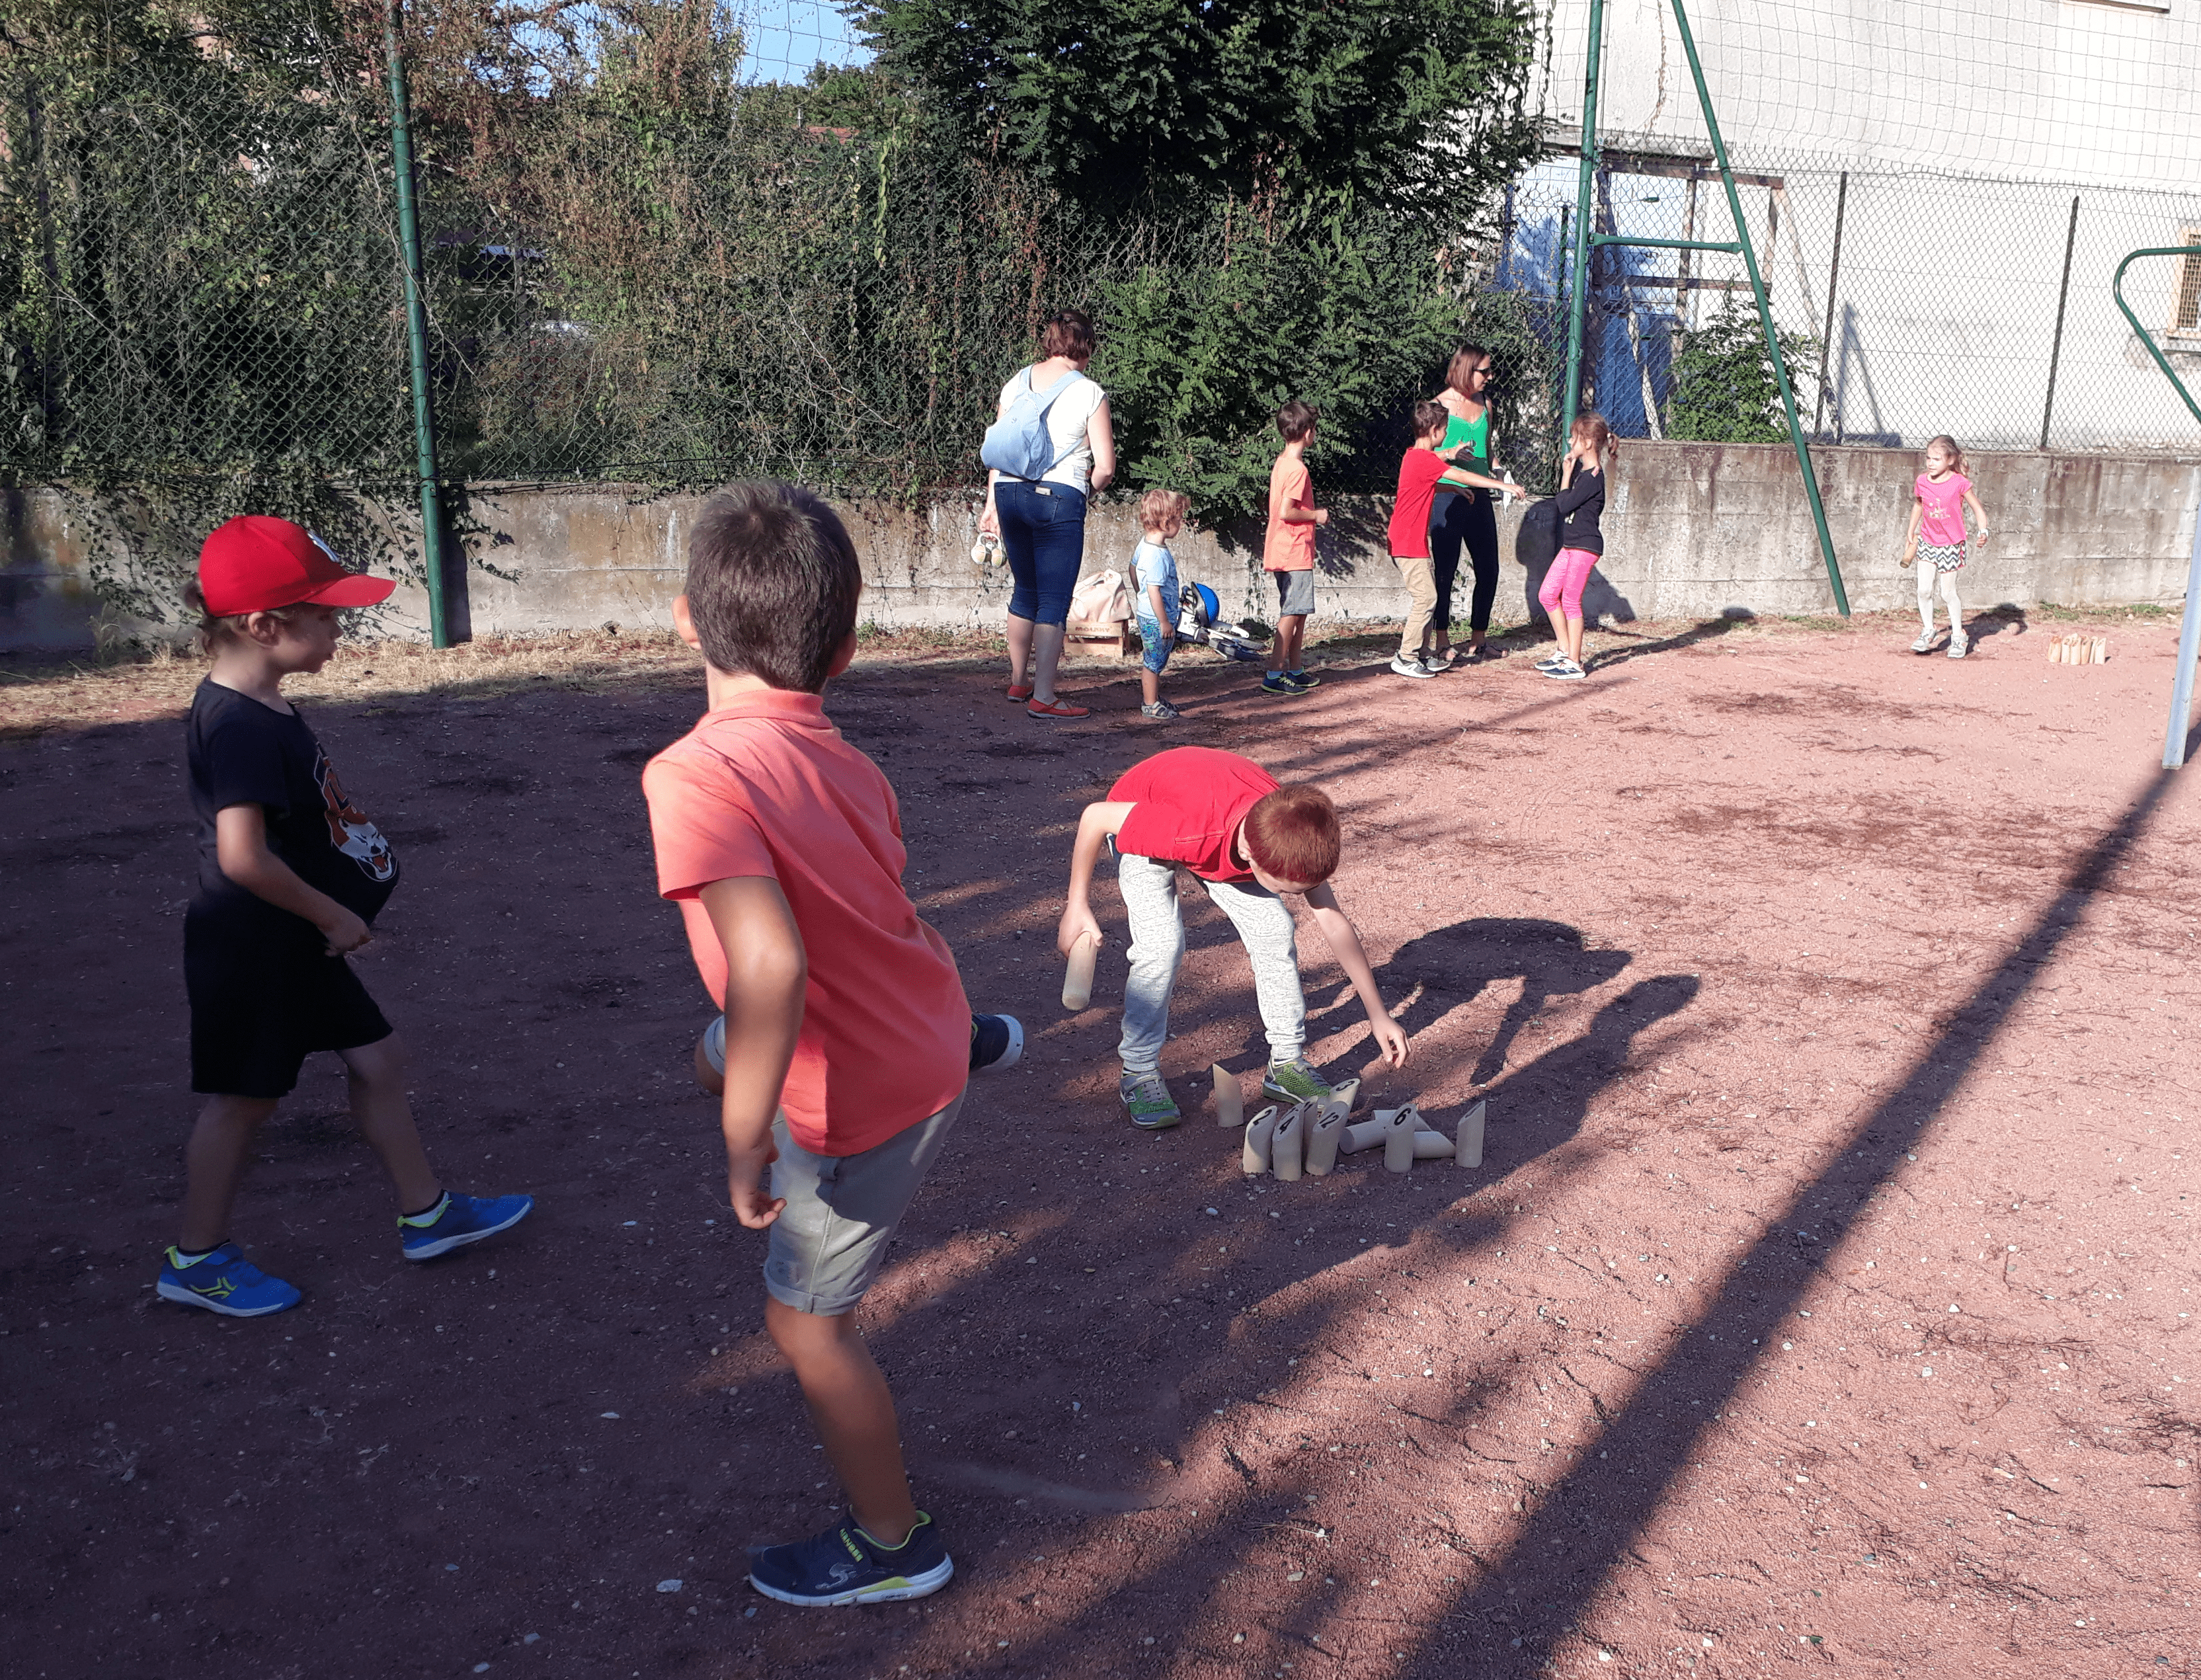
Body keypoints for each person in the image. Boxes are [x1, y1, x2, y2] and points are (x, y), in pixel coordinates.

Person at [643, 483, 969, 1607]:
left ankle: (893, 1543)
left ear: (686, 619)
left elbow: (773, 966)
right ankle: (964, 1042)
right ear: (843, 650)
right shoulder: (845, 758)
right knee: (721, 1041)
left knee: (803, 1324)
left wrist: (745, 1140)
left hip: (855, 1095)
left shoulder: (692, 773)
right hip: (915, 1017)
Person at [157, 517, 532, 1318]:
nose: (339, 629)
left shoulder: (262, 702)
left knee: (378, 1059)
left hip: (290, 938)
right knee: (243, 1101)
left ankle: (426, 1214)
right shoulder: (238, 727)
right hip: (255, 944)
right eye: (324, 616)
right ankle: (195, 1260)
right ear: (264, 626)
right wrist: (332, 915)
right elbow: (242, 856)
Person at [1055, 746, 1410, 1131]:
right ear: (1249, 856)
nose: (1297, 896)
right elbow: (1095, 818)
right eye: (1287, 889)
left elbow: (1333, 922)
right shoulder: (1187, 831)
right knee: (1162, 945)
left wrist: (1378, 1014)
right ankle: (1138, 1070)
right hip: (1144, 814)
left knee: (1275, 928)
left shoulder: (1287, 831)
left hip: (1211, 813)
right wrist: (1077, 905)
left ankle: (1287, 1064)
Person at [979, 308, 1116, 719]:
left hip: (1007, 494)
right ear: (1085, 345)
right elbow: (1106, 467)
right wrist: (1083, 492)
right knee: (1053, 601)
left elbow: (1000, 452)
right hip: (1059, 496)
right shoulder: (1090, 393)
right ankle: (1044, 696)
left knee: (1024, 590)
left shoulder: (1015, 384)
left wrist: (991, 506)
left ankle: (1019, 681)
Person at [1427, 347, 1524, 667]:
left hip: (1480, 493)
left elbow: (1487, 449)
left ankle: (1478, 640)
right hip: (1448, 494)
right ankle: (1441, 640)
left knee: (1489, 568)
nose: (1490, 377)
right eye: (1485, 371)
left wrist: (1498, 469)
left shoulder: (1486, 404)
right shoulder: (1438, 407)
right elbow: (1425, 459)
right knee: (1445, 569)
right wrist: (1451, 457)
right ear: (1467, 370)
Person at [1387, 401, 1494, 680]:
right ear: (1434, 430)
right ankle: (1406, 656)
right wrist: (1501, 485)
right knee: (1426, 598)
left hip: (1411, 541)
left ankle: (1422, 653)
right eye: (1445, 429)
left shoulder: (1415, 456)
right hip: (1407, 542)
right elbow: (1459, 474)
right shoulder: (1424, 459)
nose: (1446, 434)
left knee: (1429, 598)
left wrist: (1456, 491)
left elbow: (1432, 482)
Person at [1536, 412, 1615, 682]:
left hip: (1584, 547)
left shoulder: (1593, 477)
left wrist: (1565, 474)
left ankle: (1575, 662)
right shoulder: (1585, 473)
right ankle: (1563, 650)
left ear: (1589, 443)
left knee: (1570, 602)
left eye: (1575, 437)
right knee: (1547, 595)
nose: (1570, 441)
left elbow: (1563, 505)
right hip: (1571, 545)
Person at [1260, 400, 1328, 698]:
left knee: (1298, 612)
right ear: (1308, 433)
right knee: (1292, 612)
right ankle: (1275, 673)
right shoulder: (1298, 470)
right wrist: (1317, 515)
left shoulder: (1282, 463)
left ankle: (1296, 670)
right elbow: (1288, 512)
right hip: (1294, 551)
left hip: (1284, 549)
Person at [1901, 434, 1990, 659]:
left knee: (1947, 593)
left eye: (1937, 459)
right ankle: (1928, 630)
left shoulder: (1959, 483)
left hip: (1951, 544)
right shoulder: (1922, 481)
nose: (1931, 463)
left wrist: (1983, 531)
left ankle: (1959, 637)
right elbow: (1918, 506)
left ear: (1950, 460)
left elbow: (1978, 510)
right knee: (1923, 590)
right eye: (1928, 458)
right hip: (1927, 541)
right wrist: (1910, 531)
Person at [1132, 488, 1190, 721]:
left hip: (1148, 614)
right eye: (1179, 518)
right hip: (1158, 619)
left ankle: (1153, 697)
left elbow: (1132, 568)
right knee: (1154, 661)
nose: (1182, 523)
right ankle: (1150, 704)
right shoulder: (1158, 556)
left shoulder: (1145, 544)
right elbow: (1153, 589)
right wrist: (1164, 621)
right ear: (1167, 522)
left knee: (1155, 658)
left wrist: (1139, 594)